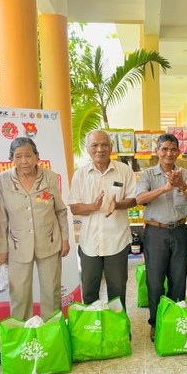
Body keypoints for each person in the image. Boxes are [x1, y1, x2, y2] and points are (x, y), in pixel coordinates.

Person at [0, 138, 70, 321]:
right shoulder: (3, 180)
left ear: (37, 156)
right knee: (19, 295)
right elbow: (1, 218)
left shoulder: (50, 177)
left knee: (52, 293)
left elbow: (60, 210)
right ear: (11, 159)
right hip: (17, 246)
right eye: (18, 157)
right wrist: (1, 249)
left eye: (28, 155)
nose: (24, 161)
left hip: (50, 242)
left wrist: (65, 239)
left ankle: (52, 335)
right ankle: (22, 336)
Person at [135, 133, 187, 341]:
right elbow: (140, 198)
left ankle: (175, 319)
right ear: (157, 151)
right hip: (155, 232)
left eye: (173, 149)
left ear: (178, 152)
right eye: (164, 149)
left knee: (178, 278)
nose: (168, 153)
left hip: (179, 231)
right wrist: (164, 188)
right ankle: (156, 322)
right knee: (154, 280)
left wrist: (182, 186)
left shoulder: (186, 175)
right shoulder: (148, 175)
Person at [69, 130, 137, 308]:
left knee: (118, 290)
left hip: (117, 240)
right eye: (95, 145)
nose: (100, 149)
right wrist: (93, 207)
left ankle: (118, 330)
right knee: (90, 291)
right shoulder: (81, 174)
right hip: (89, 243)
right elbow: (74, 206)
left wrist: (118, 205)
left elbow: (134, 199)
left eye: (104, 145)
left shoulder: (124, 171)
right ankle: (93, 330)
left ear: (111, 147)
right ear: (88, 149)